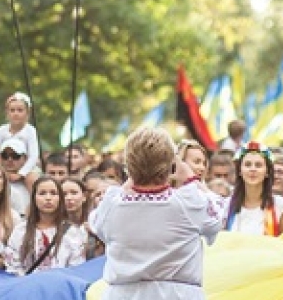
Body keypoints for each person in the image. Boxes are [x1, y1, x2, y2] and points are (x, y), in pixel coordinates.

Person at [89, 127, 223, 299]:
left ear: (128, 166)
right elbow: (219, 213)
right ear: (171, 165)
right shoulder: (188, 202)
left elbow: (96, 223)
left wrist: (136, 174)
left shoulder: (112, 205)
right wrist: (191, 178)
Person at [4, 177, 85, 275]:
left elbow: (76, 268)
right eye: (42, 193)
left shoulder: (73, 232)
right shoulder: (21, 230)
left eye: (53, 193)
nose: (48, 198)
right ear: (34, 198)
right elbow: (12, 266)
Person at [225, 142, 283, 236]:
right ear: (240, 171)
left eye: (258, 165)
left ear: (267, 172)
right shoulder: (226, 207)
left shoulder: (282, 207)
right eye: (247, 164)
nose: (253, 169)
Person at [0, 93, 40, 176]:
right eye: (12, 110)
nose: (16, 113)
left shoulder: (30, 130)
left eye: (20, 110)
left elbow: (33, 156)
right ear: (7, 113)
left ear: (27, 113)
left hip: (27, 169)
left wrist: (21, 173)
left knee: (32, 178)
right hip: (4, 167)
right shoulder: (1, 130)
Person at [0, 138, 32, 215]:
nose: (10, 159)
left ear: (25, 158)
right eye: (5, 156)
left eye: (15, 156)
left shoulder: (32, 180)